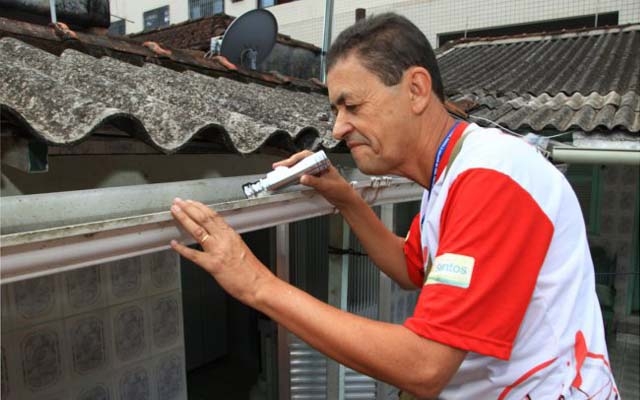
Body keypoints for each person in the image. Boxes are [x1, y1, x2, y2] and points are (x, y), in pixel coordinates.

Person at [169, 13, 618, 399]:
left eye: (352, 106)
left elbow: (425, 366)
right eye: (334, 110)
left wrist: (256, 285)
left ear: (417, 89)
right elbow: (412, 268)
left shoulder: (491, 179)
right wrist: (345, 197)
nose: (339, 127)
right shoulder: (450, 171)